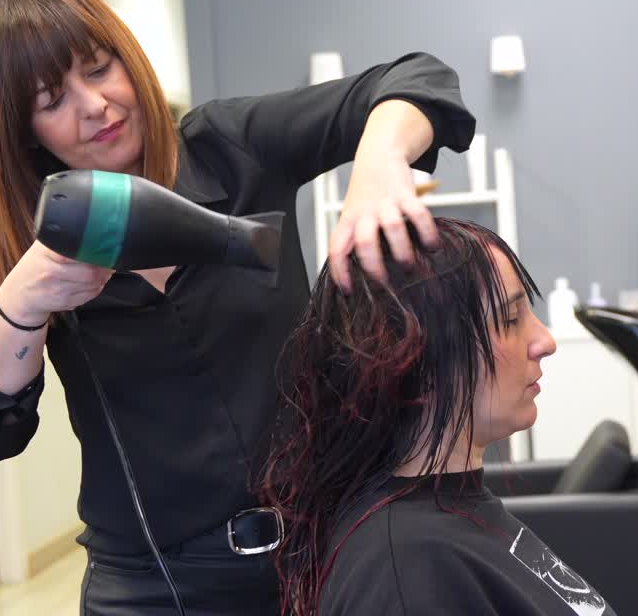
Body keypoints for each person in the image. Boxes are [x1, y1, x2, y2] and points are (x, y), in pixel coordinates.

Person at [0, 0, 475, 615]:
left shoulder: (231, 148)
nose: (96, 106)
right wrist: (20, 302)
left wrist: (380, 162)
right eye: (52, 100)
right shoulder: (44, 240)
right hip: (151, 590)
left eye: (100, 67)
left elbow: (417, 80)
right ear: (20, 132)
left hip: (319, 557)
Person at [260, 218, 618, 616]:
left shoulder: (450, 517)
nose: (545, 342)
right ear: (416, 365)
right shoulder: (403, 574)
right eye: (510, 320)